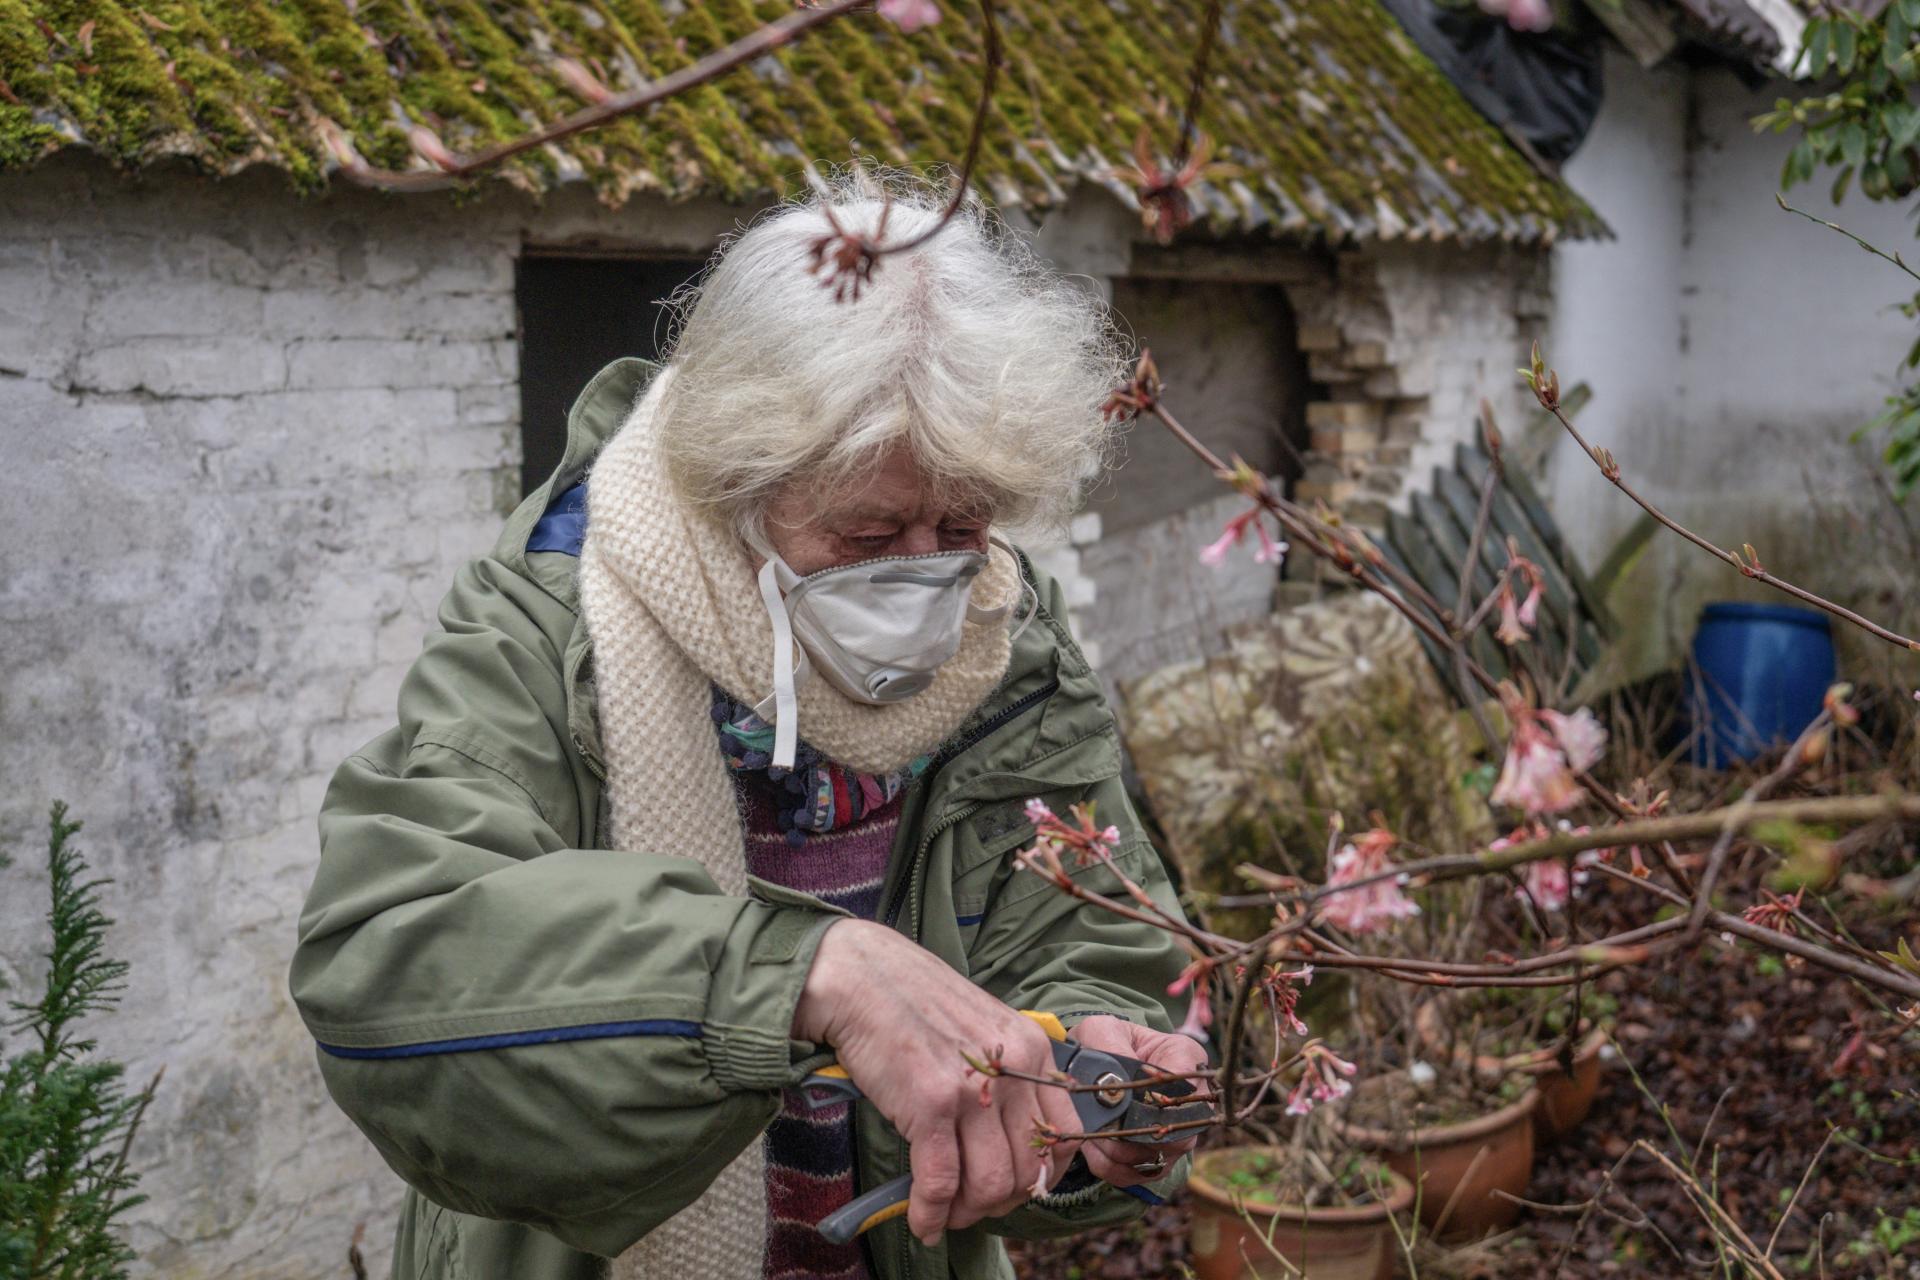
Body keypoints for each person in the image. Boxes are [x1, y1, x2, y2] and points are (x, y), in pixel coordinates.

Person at [289, 176, 1206, 1280]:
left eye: (959, 522)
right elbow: (386, 968)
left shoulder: (1009, 645)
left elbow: (1094, 944)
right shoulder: (545, 625)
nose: (923, 570)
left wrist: (1093, 1074)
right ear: (740, 486)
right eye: (868, 531)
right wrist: (794, 975)